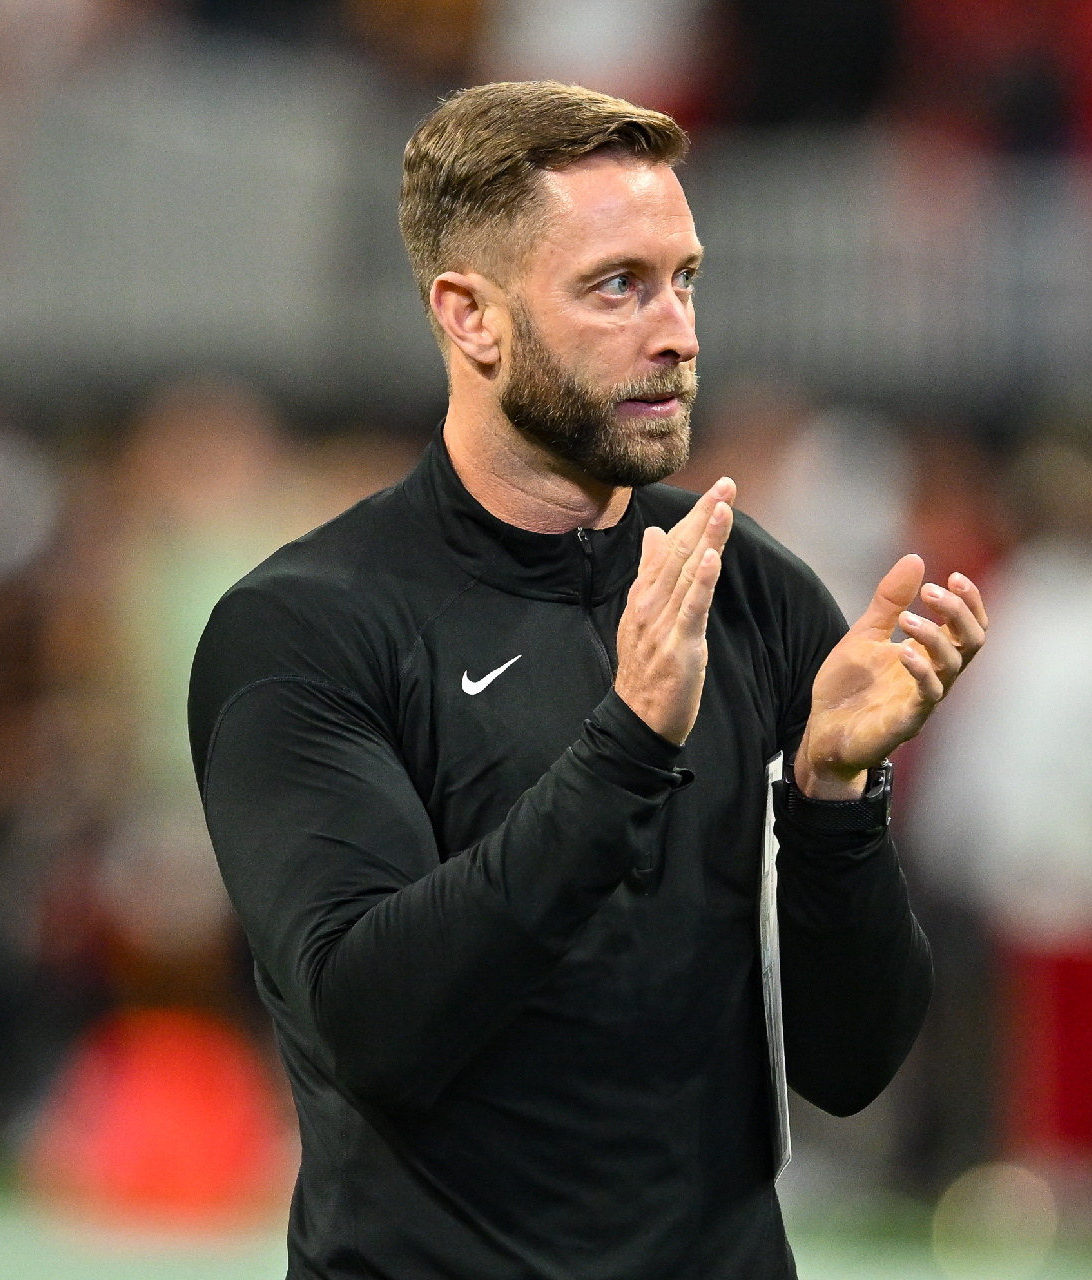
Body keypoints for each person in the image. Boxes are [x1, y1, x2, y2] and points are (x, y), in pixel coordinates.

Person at [188, 81, 987, 1280]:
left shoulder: (747, 587)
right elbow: (375, 1024)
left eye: (685, 278)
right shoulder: (304, 628)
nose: (676, 332)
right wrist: (623, 745)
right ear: (470, 316)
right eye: (617, 285)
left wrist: (833, 799)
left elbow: (848, 1061)